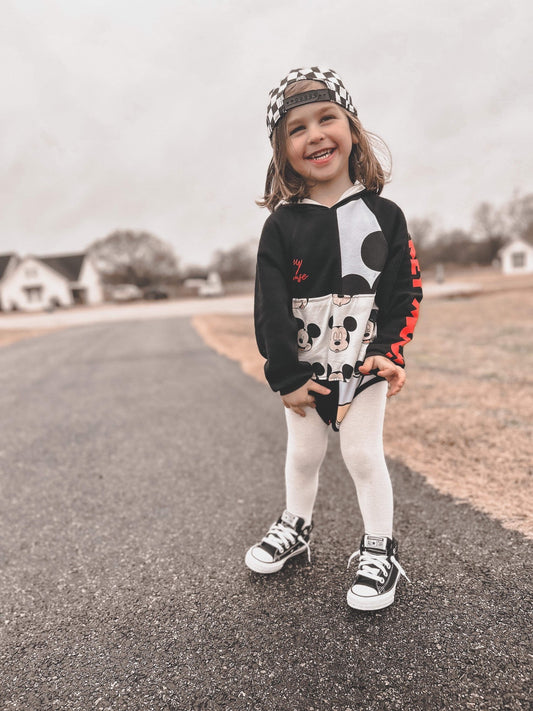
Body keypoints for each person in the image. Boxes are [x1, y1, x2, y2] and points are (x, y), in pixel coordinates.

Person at [245, 67, 422, 611]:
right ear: (282, 150)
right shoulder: (282, 225)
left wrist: (389, 352)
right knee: (303, 455)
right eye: (297, 128)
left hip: (364, 362)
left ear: (352, 130)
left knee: (362, 454)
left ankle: (379, 549)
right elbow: (270, 307)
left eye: (327, 119)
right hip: (305, 370)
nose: (315, 135)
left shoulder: (385, 216)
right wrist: (285, 375)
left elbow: (404, 291)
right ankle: (296, 527)